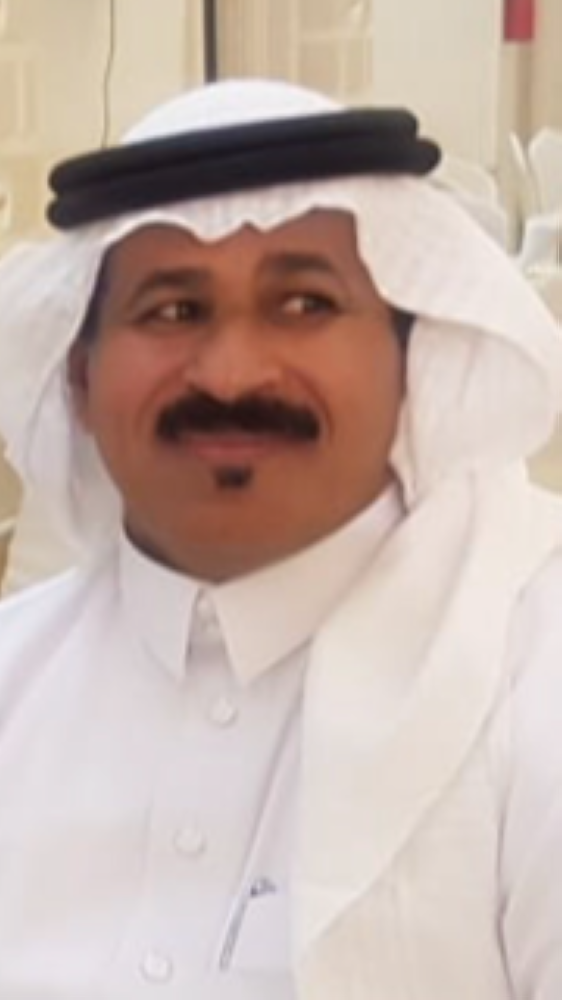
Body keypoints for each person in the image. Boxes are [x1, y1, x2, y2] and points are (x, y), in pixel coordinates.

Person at [0, 78, 561, 1000]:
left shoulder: (533, 666)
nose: (232, 373)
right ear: (80, 379)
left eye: (304, 304)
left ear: (411, 357)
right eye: (173, 310)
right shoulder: (18, 677)